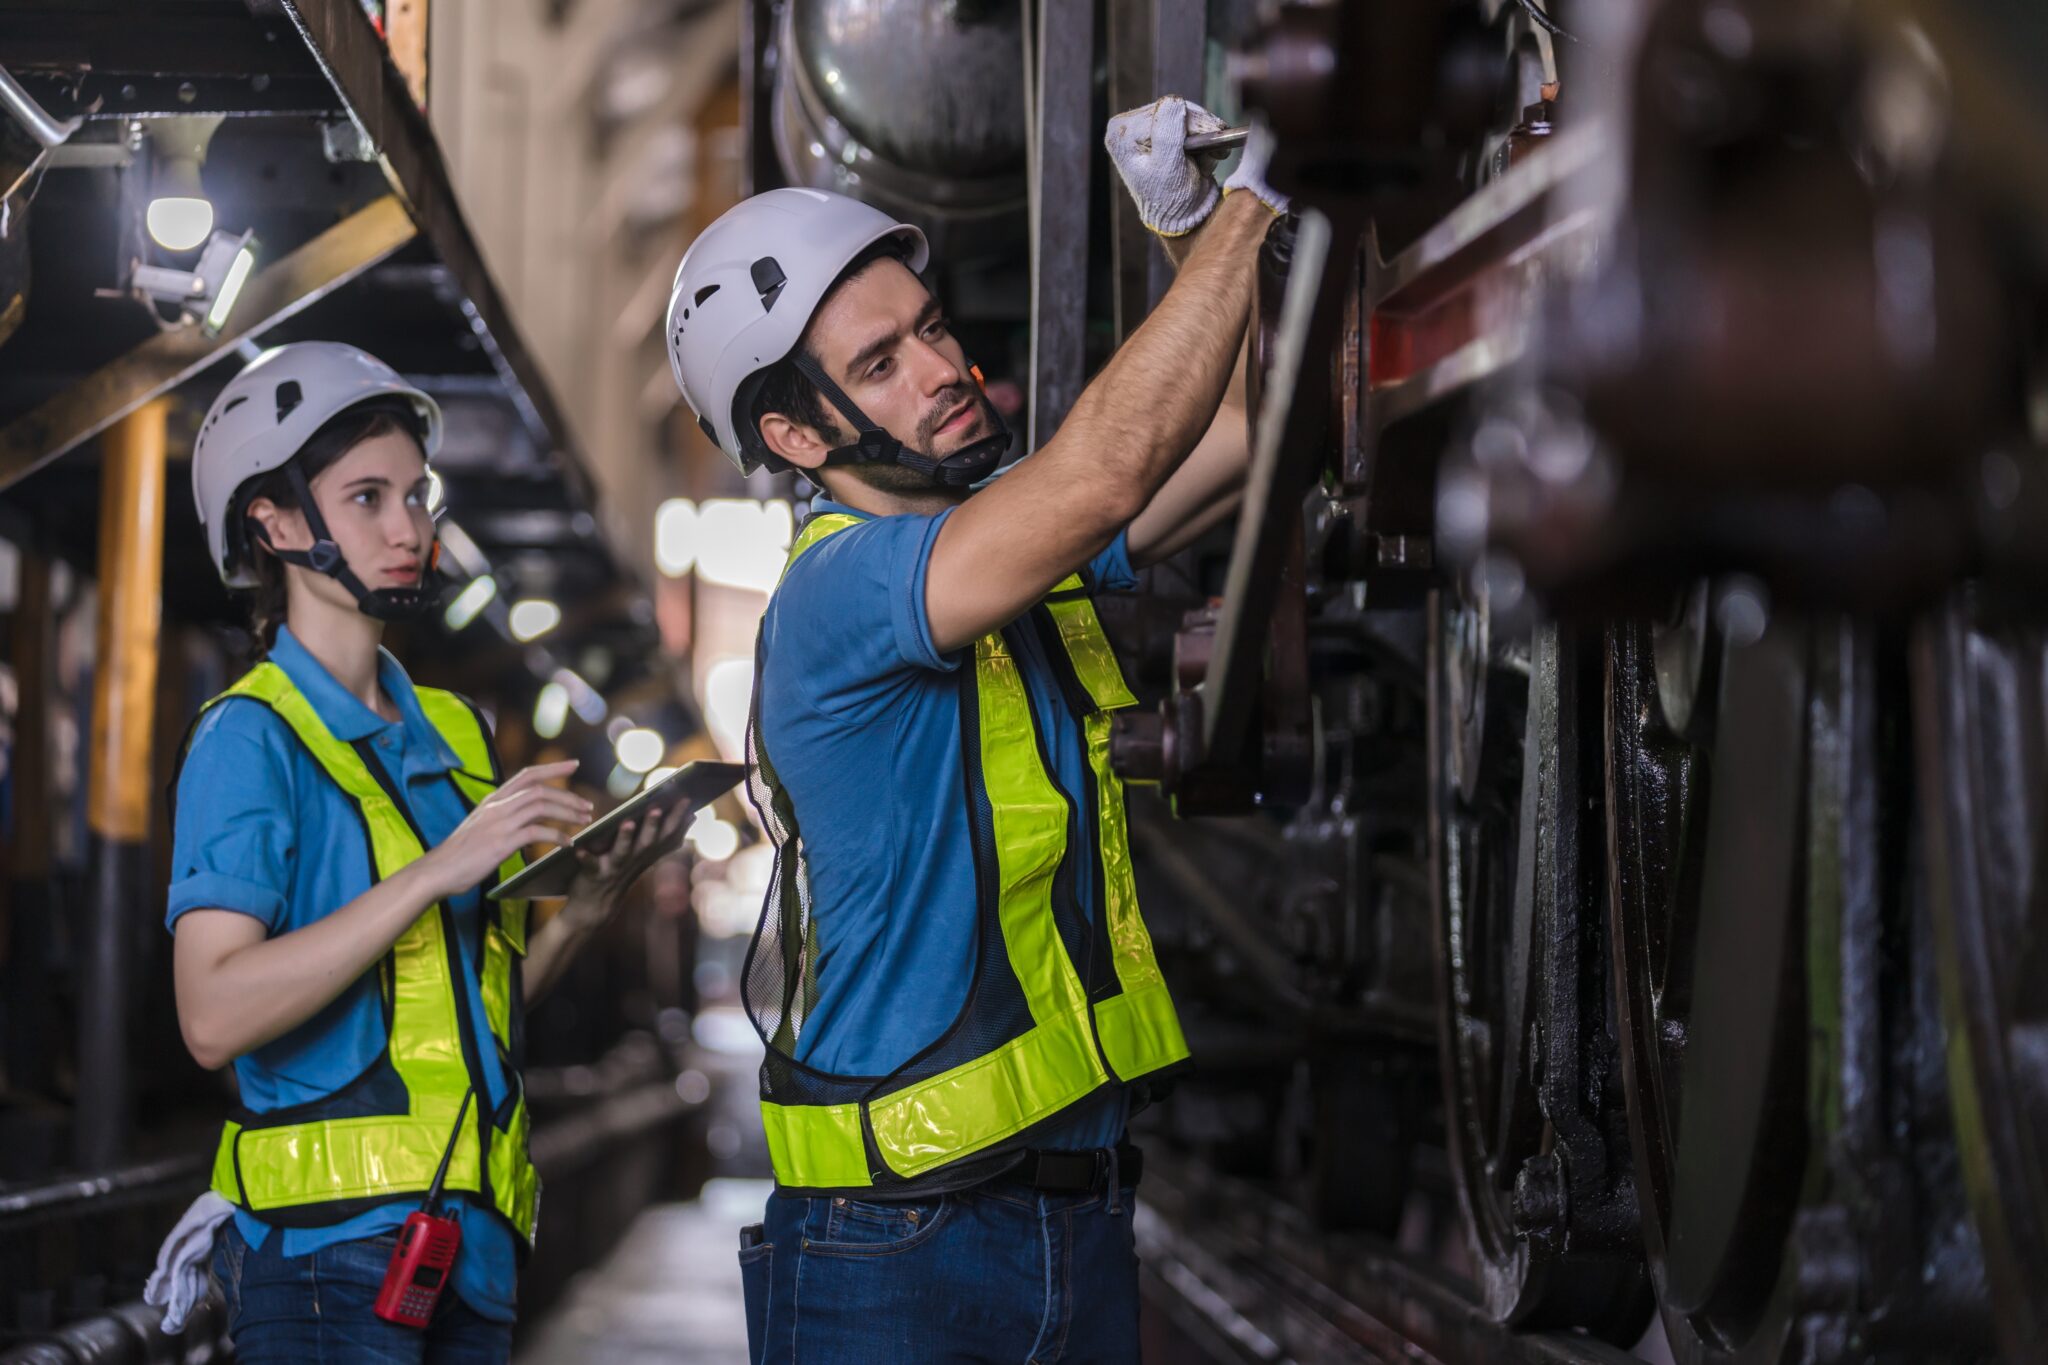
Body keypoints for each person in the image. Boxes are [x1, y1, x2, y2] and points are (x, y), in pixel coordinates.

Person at [664, 97, 1284, 1362]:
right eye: (879, 365)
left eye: (928, 328)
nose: (943, 369)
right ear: (794, 436)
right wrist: (1254, 206)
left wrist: (1188, 238)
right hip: (893, 1253)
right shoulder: (840, 590)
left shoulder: (990, 545)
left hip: (1071, 1216)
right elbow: (1105, 473)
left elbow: (1246, 429)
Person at [165, 340, 690, 1363]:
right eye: (366, 497)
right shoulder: (249, 736)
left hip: (469, 1248)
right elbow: (212, 1014)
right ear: (272, 521)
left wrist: (581, 908)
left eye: (416, 494)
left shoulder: (447, 732)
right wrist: (443, 868)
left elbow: (458, 1016)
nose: (409, 528)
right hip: (326, 1260)